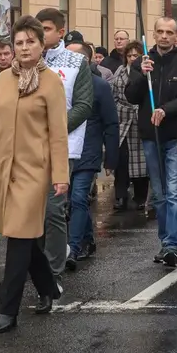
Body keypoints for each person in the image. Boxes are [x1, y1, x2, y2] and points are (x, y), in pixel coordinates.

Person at [0, 16, 69, 334]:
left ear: (41, 45)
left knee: (17, 238)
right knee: (24, 237)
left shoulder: (51, 82)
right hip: (3, 169)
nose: (25, 47)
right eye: (19, 42)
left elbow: (58, 133)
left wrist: (61, 174)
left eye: (31, 41)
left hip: (34, 172)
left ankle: (7, 311)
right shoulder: (3, 80)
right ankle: (48, 288)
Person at [126, 17, 177, 268]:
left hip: (176, 136)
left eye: (170, 32)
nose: (165, 36)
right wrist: (139, 75)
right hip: (150, 135)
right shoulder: (141, 61)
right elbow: (131, 97)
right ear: (153, 35)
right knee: (159, 194)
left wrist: (166, 109)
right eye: (160, 32)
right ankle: (165, 240)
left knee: (175, 191)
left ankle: (171, 246)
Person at [36, 8, 93, 281]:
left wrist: (53, 129)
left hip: (63, 146)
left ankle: (53, 268)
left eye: (46, 29)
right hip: (27, 146)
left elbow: (83, 106)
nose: (41, 34)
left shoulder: (75, 62)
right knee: (29, 209)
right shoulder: (26, 60)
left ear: (60, 31)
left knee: (53, 208)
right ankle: (32, 263)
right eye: (38, 28)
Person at [66, 41, 119, 268]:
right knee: (71, 200)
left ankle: (72, 248)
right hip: (64, 151)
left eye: (74, 56)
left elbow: (111, 123)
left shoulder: (99, 86)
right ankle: (87, 238)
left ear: (86, 60)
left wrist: (112, 158)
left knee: (78, 197)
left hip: (88, 151)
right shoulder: (59, 82)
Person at [111, 40, 149, 212]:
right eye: (130, 55)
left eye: (136, 55)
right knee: (122, 160)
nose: (133, 58)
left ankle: (141, 196)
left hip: (140, 122)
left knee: (141, 161)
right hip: (123, 121)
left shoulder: (146, 72)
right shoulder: (119, 72)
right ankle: (120, 195)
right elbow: (114, 96)